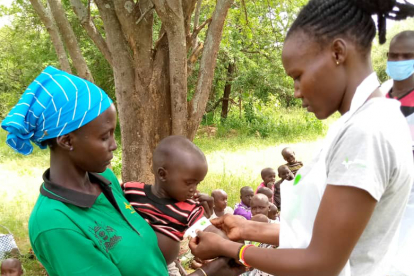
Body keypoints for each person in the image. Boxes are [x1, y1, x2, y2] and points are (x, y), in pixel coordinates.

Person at [189, 1, 414, 275]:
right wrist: (248, 228)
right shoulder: (374, 119)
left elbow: (322, 262)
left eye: (298, 76)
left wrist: (231, 250)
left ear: (338, 53)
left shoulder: (365, 133)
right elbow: (329, 236)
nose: (296, 91)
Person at [1, 66, 243, 276]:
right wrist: (207, 273)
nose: (114, 145)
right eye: (105, 136)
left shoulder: (102, 179)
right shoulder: (54, 224)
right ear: (66, 141)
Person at [121, 136, 220, 267]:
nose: (194, 189)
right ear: (162, 174)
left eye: (197, 183)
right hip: (124, 264)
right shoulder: (131, 191)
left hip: (164, 269)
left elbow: (209, 229)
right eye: (189, 183)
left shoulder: (189, 209)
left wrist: (230, 243)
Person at [382, 31, 414, 276]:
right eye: (394, 55)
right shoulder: (379, 94)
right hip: (379, 189)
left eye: (408, 56)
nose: (400, 60)